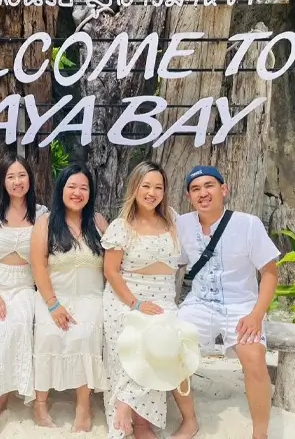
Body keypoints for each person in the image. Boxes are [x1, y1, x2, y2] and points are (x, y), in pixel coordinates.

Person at [173, 167, 279, 439]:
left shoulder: (248, 224)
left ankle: (260, 433)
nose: (203, 193)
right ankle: (189, 420)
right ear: (189, 196)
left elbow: (269, 273)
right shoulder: (183, 224)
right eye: (195, 189)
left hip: (241, 306)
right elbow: (174, 264)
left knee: (254, 356)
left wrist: (256, 315)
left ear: (224, 189)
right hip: (198, 303)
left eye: (209, 185)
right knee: (171, 347)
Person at [0, 155, 48, 439]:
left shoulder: (41, 214)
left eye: (22, 175)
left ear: (30, 179)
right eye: (11, 176)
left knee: (18, 326)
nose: (17, 181)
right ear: (3, 181)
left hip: (24, 286)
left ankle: (3, 390)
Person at [102, 161, 183, 439]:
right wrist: (135, 303)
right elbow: (111, 271)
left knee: (165, 340)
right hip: (126, 297)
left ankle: (132, 409)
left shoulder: (172, 218)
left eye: (158, 187)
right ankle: (135, 419)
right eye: (146, 186)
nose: (152, 192)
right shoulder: (122, 226)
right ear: (134, 188)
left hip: (164, 297)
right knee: (136, 338)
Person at [30, 165, 108, 432]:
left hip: (91, 297)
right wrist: (52, 304)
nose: (77, 193)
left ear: (90, 193)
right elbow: (38, 266)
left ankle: (83, 406)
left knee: (83, 335)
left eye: (83, 188)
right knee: (48, 334)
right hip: (53, 296)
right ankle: (41, 402)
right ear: (61, 189)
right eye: (72, 187)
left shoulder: (98, 222)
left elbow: (112, 264)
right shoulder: (46, 222)